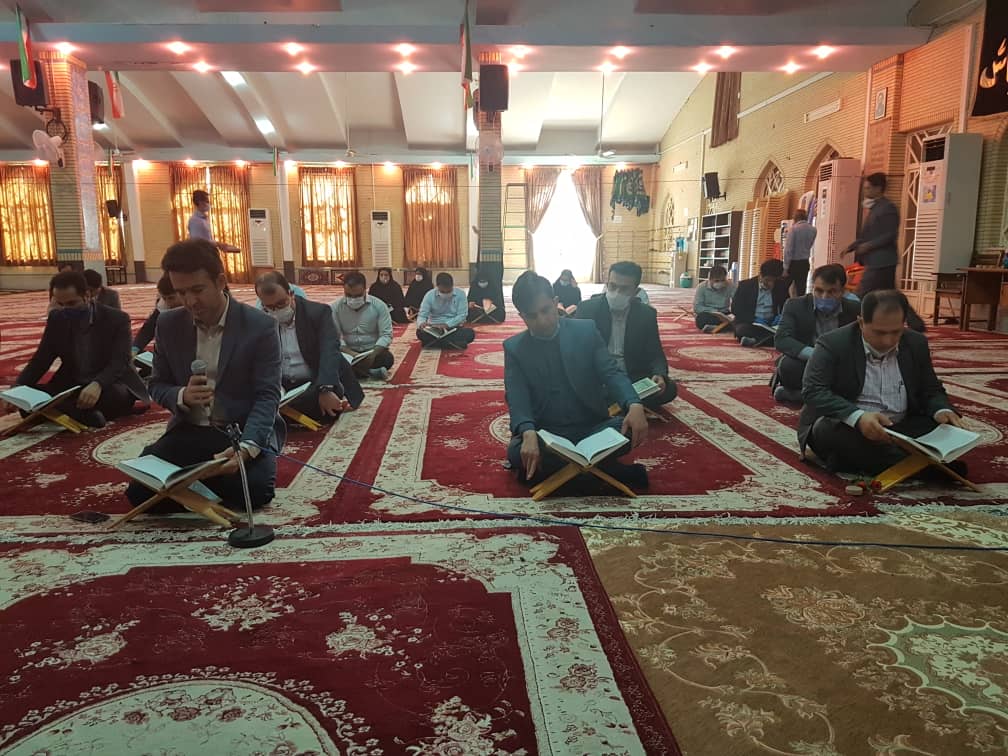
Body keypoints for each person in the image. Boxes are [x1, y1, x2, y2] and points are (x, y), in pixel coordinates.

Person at [124, 239, 284, 514]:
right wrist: (181, 395)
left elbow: (267, 394)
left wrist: (247, 447)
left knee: (254, 492)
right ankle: (198, 484)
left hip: (240, 430)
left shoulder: (260, 326)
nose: (190, 301)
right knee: (139, 492)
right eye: (181, 292)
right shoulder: (169, 324)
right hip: (190, 430)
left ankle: (190, 487)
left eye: (197, 290)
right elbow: (157, 383)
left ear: (220, 281)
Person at [504, 271, 649, 490]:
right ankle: (605, 471)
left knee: (628, 428)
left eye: (546, 310)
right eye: (532, 316)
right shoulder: (515, 348)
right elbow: (517, 397)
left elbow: (611, 373)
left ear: (556, 303)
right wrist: (528, 431)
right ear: (521, 315)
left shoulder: (585, 331)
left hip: (592, 426)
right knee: (516, 452)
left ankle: (562, 476)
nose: (541, 321)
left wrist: (634, 404)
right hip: (547, 435)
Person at [799, 289, 967, 477]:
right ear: (861, 322)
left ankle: (872, 461)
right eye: (879, 333)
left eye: (896, 332)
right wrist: (858, 417)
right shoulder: (833, 343)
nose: (888, 341)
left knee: (945, 427)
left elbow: (931, 388)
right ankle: (925, 468)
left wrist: (941, 410)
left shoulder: (915, 343)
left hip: (901, 428)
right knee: (826, 430)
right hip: (852, 426)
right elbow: (813, 391)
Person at [2, 271, 147, 428]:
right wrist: (18, 388)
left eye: (72, 303)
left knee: (115, 397)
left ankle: (56, 412)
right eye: (60, 304)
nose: (66, 309)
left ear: (87, 296)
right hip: (71, 384)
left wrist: (98, 384)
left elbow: (120, 361)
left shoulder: (116, 319)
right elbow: (41, 360)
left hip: (110, 383)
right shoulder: (57, 318)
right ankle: (81, 414)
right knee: (28, 398)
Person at [256, 271, 361, 423]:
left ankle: (285, 414)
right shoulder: (261, 320)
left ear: (291, 294)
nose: (276, 310)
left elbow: (329, 351)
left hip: (313, 382)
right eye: (270, 307)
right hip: (281, 385)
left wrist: (325, 388)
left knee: (328, 403)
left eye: (281, 304)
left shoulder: (318, 313)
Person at [577, 261, 677, 410]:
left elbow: (656, 354)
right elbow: (576, 351)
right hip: (598, 375)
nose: (616, 293)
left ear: (636, 291)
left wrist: (659, 374)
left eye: (624, 289)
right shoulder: (588, 309)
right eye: (612, 286)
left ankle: (613, 402)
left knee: (669, 389)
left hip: (631, 376)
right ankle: (623, 402)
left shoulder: (646, 314)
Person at [844, 173, 926, 332]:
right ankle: (916, 323)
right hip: (876, 261)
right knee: (892, 295)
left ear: (878, 188)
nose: (865, 191)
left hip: (882, 261)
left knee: (862, 293)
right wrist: (852, 246)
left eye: (868, 188)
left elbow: (889, 235)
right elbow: (868, 234)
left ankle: (849, 324)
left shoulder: (888, 208)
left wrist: (868, 246)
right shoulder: (875, 208)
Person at [772, 264, 860, 403]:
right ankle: (830, 398)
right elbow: (782, 339)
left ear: (843, 291)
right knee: (788, 366)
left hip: (839, 366)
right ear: (812, 288)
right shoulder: (795, 305)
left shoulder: (854, 309)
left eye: (832, 292)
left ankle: (804, 397)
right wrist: (817, 355)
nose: (824, 297)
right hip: (807, 362)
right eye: (819, 291)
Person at [332, 271, 396, 381]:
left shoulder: (379, 306)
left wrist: (373, 354)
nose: (353, 299)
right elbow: (334, 337)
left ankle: (355, 372)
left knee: (387, 359)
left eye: (357, 295)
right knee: (330, 358)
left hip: (372, 351)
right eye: (349, 295)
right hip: (348, 352)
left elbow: (386, 335)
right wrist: (352, 354)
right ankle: (371, 372)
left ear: (365, 289)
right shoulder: (336, 307)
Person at [731, 258, 790, 347]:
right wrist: (754, 319)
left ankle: (756, 340)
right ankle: (769, 340)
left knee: (789, 331)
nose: (771, 284)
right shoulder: (745, 285)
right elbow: (735, 309)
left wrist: (780, 317)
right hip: (751, 323)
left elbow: (786, 306)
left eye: (774, 281)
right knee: (741, 330)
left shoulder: (781, 285)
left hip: (772, 324)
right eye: (768, 280)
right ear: (761, 275)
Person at [417, 272, 476, 349]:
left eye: (448, 291)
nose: (445, 293)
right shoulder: (429, 295)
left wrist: (446, 325)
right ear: (437, 286)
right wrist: (422, 323)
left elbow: (462, 315)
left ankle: (435, 343)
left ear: (452, 285)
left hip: (453, 328)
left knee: (470, 333)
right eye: (443, 292)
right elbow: (422, 314)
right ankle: (452, 343)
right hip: (434, 328)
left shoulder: (460, 294)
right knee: (420, 333)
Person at [133, 274, 184, 355]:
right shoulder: (163, 304)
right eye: (164, 298)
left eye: (171, 298)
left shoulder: (196, 307)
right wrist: (135, 348)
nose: (168, 302)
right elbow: (149, 328)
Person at [187, 189, 240, 254]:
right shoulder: (195, 221)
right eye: (207, 201)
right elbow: (199, 243)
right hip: (202, 255)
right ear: (200, 202)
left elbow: (207, 239)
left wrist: (220, 245)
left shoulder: (204, 218)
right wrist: (218, 244)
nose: (209, 204)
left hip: (208, 253)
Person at [783, 209, 816, 296]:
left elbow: (788, 250)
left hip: (793, 263)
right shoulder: (813, 230)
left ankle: (787, 303)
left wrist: (785, 268)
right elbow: (810, 244)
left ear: (795, 218)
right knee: (801, 288)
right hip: (805, 262)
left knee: (784, 287)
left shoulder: (793, 230)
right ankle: (800, 303)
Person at [693, 264, 735, 331]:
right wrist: (714, 311)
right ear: (710, 279)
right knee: (700, 319)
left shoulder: (730, 285)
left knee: (741, 319)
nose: (720, 283)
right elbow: (697, 307)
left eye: (723, 280)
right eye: (717, 281)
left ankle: (717, 327)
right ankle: (725, 327)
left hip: (725, 313)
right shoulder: (701, 287)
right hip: (709, 313)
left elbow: (737, 301)